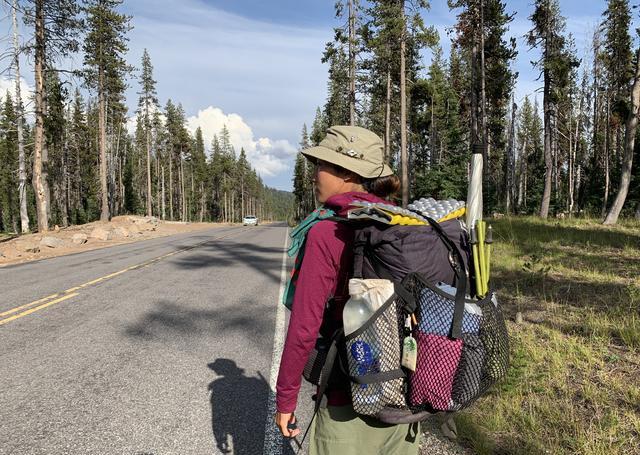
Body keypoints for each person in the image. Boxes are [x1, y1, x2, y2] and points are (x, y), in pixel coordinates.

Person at [274, 126, 421, 454]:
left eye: (321, 165)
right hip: (405, 404)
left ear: (346, 172)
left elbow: (304, 330)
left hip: (346, 402)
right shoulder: (400, 226)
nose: (315, 175)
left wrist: (285, 398)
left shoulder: (326, 233)